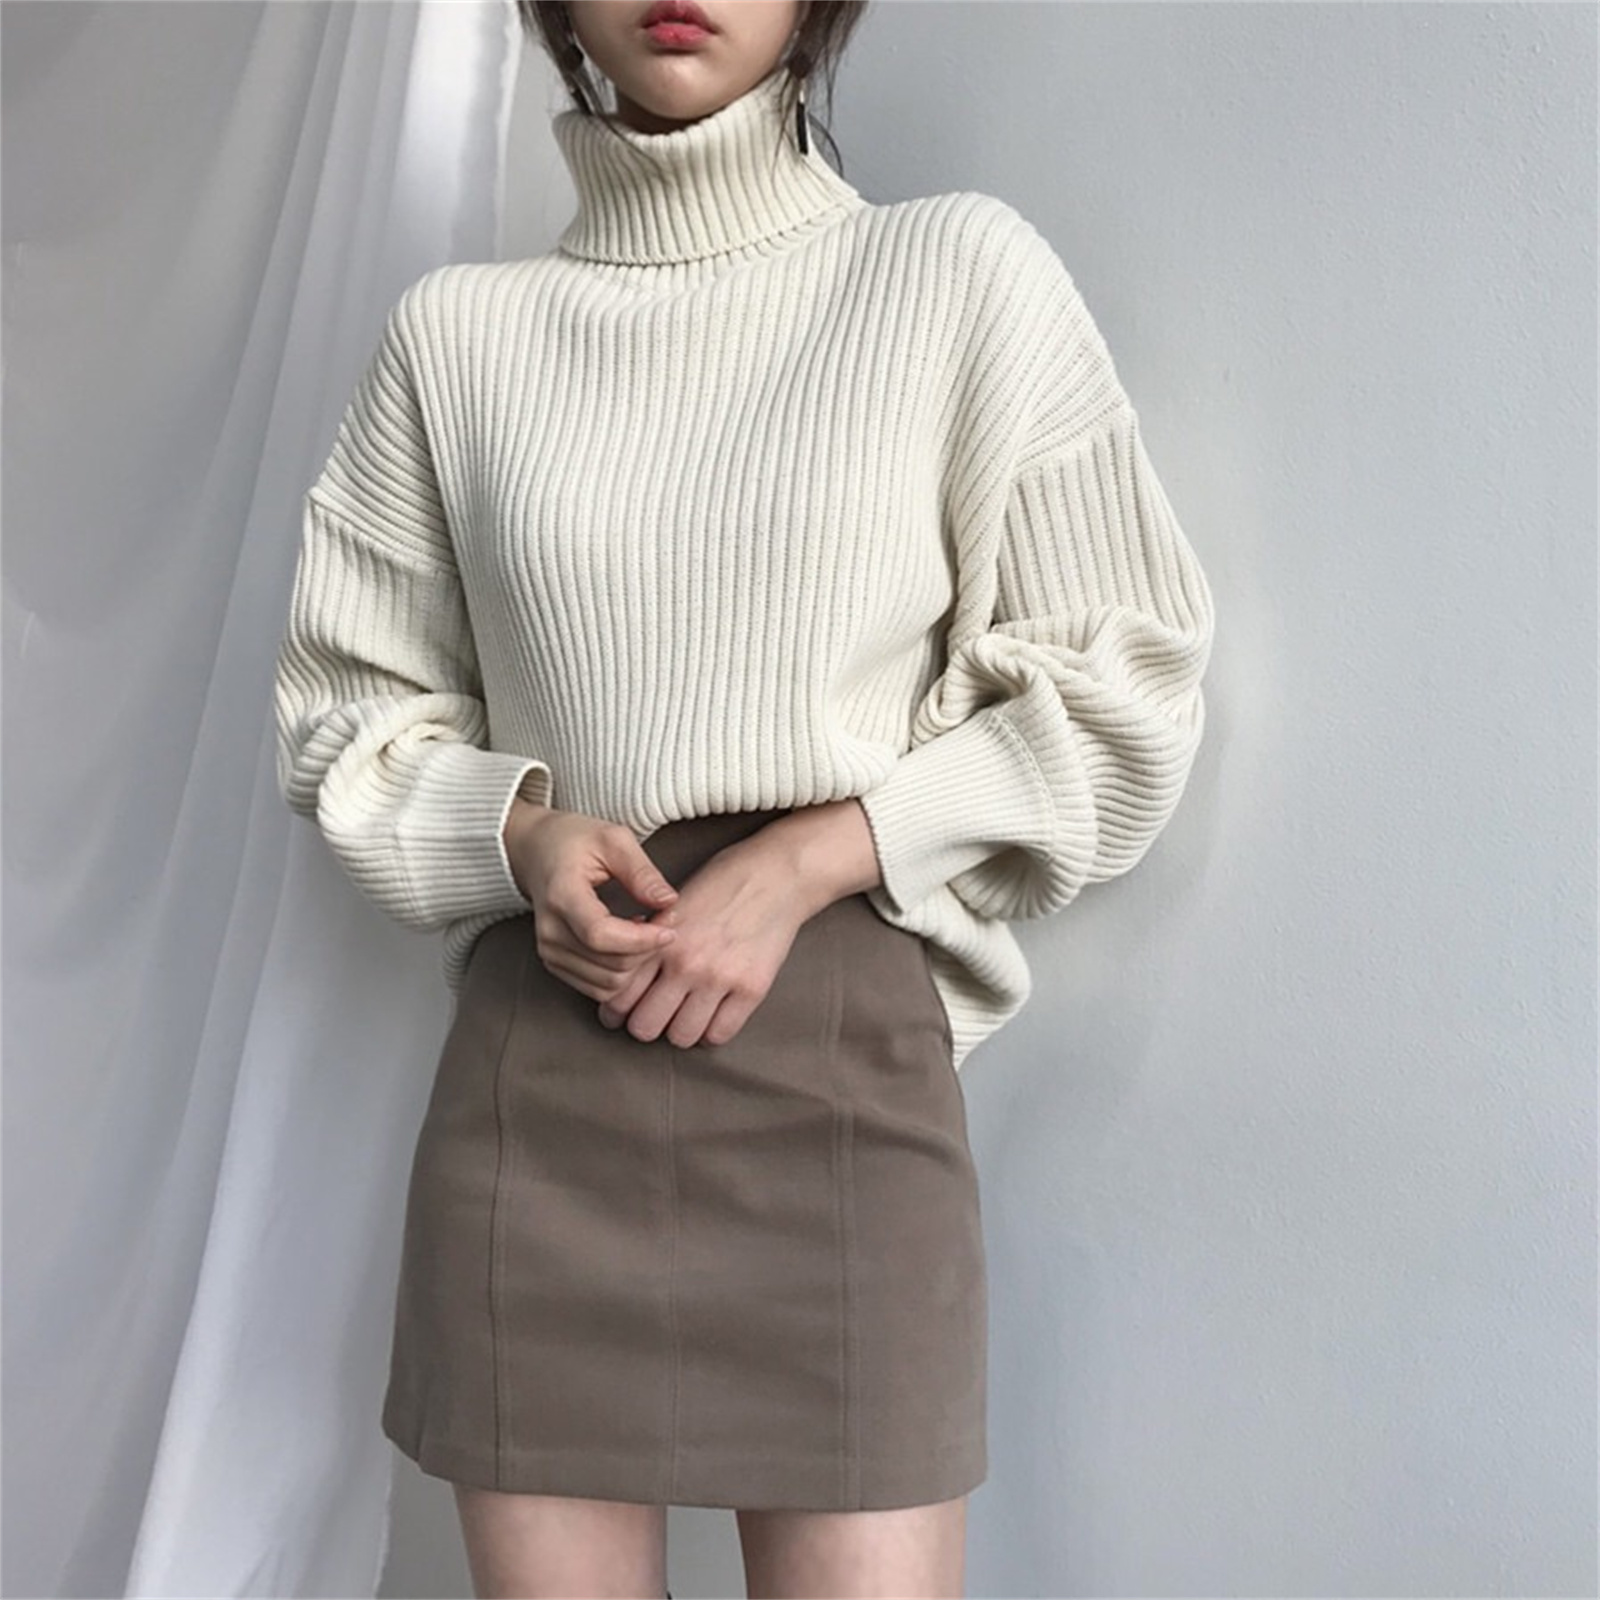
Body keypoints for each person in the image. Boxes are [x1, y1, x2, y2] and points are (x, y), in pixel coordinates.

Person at [271, 0, 1216, 1594]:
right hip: (543, 1092)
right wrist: (519, 835)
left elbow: (1126, 686)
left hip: (841, 1088)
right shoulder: (455, 340)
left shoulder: (953, 276)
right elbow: (343, 712)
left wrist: (812, 860)